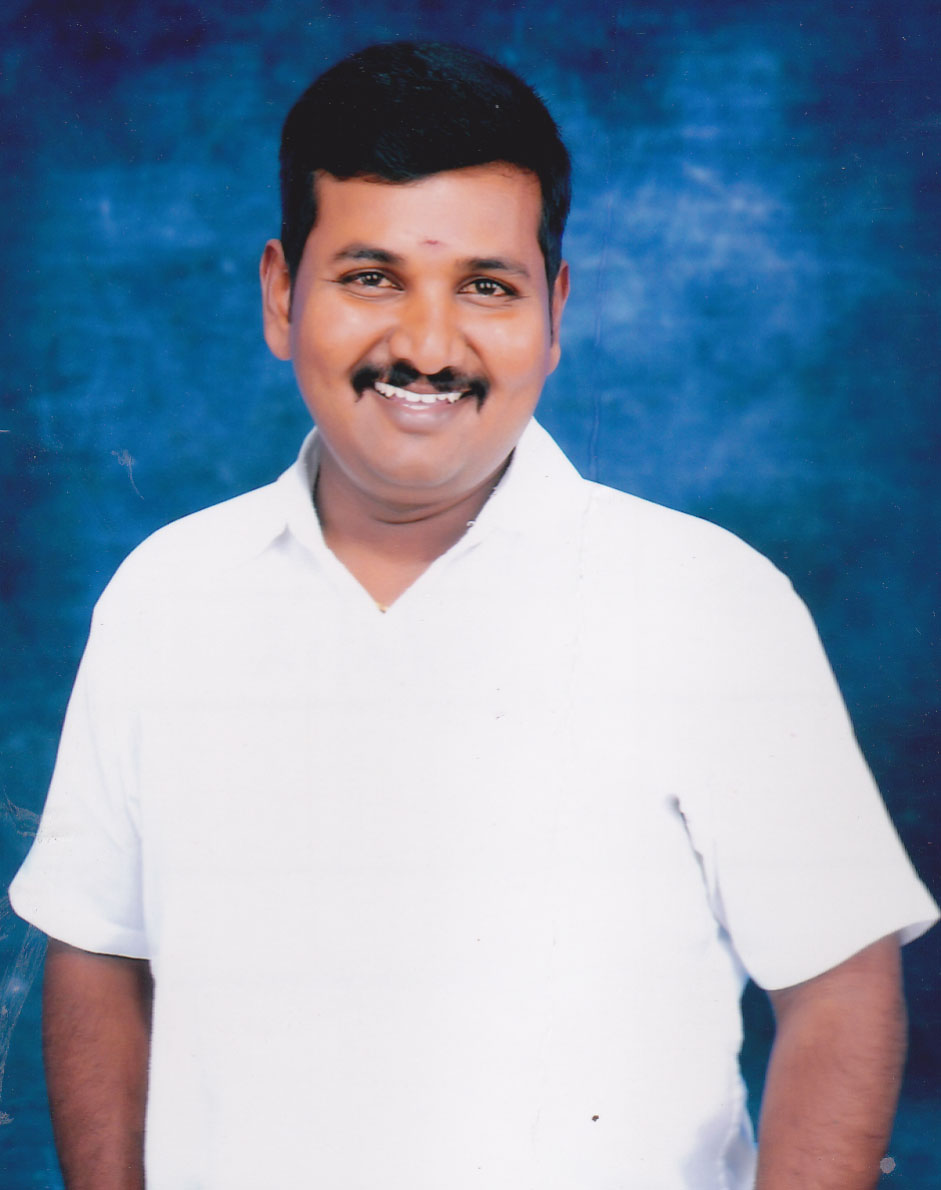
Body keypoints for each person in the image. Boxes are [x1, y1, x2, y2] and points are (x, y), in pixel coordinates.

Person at [10, 40, 938, 1190]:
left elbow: (840, 989)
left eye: (485, 286)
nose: (426, 345)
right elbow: (99, 956)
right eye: (371, 276)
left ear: (554, 310)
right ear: (280, 294)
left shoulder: (710, 603)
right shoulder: (165, 595)